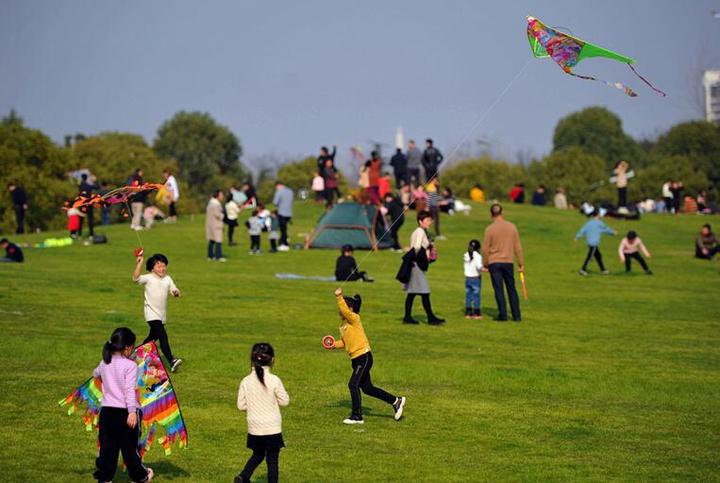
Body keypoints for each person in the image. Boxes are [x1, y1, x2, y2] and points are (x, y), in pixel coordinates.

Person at [325, 287, 406, 425]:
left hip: (364, 357)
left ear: (349, 308)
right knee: (367, 388)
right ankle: (396, 401)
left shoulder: (354, 319)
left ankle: (357, 416)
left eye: (343, 307)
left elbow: (345, 310)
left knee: (353, 385)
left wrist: (339, 297)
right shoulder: (344, 325)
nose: (339, 311)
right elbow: (345, 343)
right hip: (356, 360)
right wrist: (333, 345)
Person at [92, 327, 154, 483]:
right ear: (127, 347)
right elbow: (128, 390)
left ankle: (105, 479)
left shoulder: (104, 362)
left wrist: (108, 388)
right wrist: (132, 412)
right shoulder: (130, 366)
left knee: (108, 449)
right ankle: (141, 477)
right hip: (125, 413)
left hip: (106, 412)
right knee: (129, 449)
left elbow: (95, 374)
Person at [235, 343, 289, 483]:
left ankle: (243, 476)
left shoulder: (245, 381)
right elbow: (284, 401)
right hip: (272, 427)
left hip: (254, 427)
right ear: (272, 360)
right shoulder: (274, 380)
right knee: (272, 460)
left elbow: (241, 406)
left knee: (258, 454)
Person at [133, 253, 183, 372]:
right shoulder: (148, 278)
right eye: (158, 266)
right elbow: (135, 279)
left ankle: (135, 355)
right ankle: (171, 361)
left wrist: (176, 292)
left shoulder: (167, 279)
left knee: (151, 339)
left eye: (164, 266)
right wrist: (139, 263)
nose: (162, 268)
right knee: (162, 335)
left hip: (162, 316)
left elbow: (174, 289)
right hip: (151, 314)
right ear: (152, 268)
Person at [482, 204, 524, 322]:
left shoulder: (489, 229)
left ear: (491, 214)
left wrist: (485, 264)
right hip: (508, 261)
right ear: (502, 212)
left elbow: (485, 249)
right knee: (511, 288)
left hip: (494, 262)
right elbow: (517, 247)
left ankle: (503, 315)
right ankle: (516, 315)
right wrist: (520, 262)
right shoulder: (512, 227)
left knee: (498, 289)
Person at [403, 211, 445, 325]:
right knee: (425, 292)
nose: (429, 222)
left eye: (430, 220)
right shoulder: (420, 231)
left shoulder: (421, 231)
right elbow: (416, 248)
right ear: (420, 221)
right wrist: (423, 257)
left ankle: (407, 317)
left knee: (412, 293)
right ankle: (431, 318)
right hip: (416, 266)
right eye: (427, 220)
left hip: (416, 266)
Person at [575, 209, 617, 276]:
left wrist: (577, 237)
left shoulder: (589, 223)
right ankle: (582, 270)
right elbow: (606, 229)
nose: (600, 215)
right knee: (590, 257)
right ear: (598, 215)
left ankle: (603, 270)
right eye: (600, 214)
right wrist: (613, 232)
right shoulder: (600, 223)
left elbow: (582, 230)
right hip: (594, 243)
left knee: (598, 256)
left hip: (590, 242)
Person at [463, 239, 483, 319]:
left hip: (467, 279)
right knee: (476, 296)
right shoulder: (477, 256)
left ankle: (468, 312)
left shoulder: (466, 255)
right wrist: (488, 269)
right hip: (475, 279)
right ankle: (477, 313)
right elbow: (479, 267)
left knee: (468, 296)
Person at [272, 182, 294, 251]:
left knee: (283, 229)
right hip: (289, 213)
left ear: (278, 185)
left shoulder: (279, 192)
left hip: (282, 212)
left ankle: (284, 244)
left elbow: (275, 202)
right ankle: (286, 239)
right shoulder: (290, 191)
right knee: (285, 228)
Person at [206, 189, 226, 261]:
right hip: (216, 224)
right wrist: (223, 215)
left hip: (210, 224)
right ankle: (218, 256)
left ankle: (210, 256)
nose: (222, 196)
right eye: (221, 195)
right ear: (217, 195)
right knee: (218, 241)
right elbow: (217, 214)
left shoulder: (210, 203)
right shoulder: (216, 204)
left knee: (211, 240)